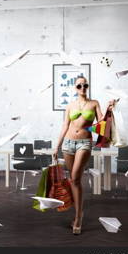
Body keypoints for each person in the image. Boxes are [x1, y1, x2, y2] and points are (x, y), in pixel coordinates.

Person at [52, 76, 114, 235]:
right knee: (74, 180)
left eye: (85, 85)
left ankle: (79, 216)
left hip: (84, 143)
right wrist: (57, 146)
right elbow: (65, 125)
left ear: (88, 86)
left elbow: (101, 120)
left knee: (75, 177)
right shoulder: (70, 105)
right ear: (75, 88)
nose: (83, 88)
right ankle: (78, 211)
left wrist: (109, 109)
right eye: (79, 85)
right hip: (67, 143)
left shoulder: (94, 103)